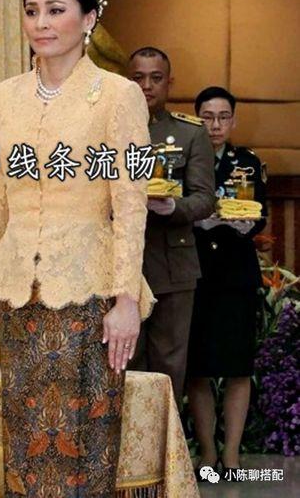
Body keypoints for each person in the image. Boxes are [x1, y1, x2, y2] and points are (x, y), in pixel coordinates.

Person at [0, 0, 154, 497]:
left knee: (83, 439)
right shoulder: (0, 97)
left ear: (88, 19)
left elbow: (131, 204)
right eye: (32, 11)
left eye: (56, 10)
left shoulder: (119, 95)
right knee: (24, 440)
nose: (42, 23)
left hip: (89, 291)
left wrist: (126, 299)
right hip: (17, 292)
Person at [127, 47, 215, 406]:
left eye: (156, 78)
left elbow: (205, 199)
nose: (147, 86)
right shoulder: (108, 130)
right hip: (123, 265)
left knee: (169, 364)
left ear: (169, 83)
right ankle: (127, 442)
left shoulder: (190, 133)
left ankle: (167, 441)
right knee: (125, 361)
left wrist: (172, 207)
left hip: (172, 263)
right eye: (138, 78)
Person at [186, 86, 267, 479]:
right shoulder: (185, 159)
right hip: (196, 273)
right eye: (207, 117)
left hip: (236, 276)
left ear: (233, 121)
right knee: (198, 367)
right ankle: (207, 454)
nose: (215, 125)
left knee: (237, 366)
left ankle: (231, 456)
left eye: (222, 117)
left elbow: (261, 213)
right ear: (196, 119)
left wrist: (248, 224)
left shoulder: (247, 162)